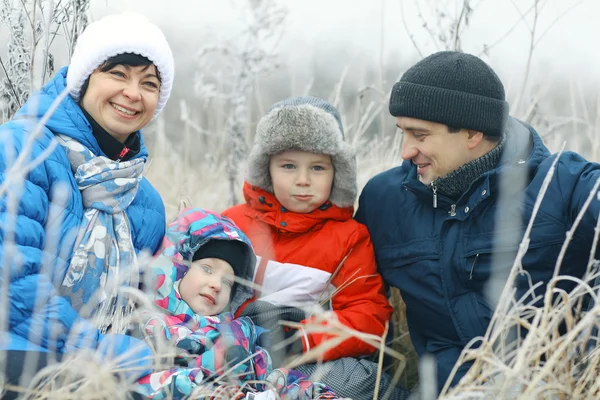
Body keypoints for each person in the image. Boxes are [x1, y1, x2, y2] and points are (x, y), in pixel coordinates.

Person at [355, 51, 600, 393]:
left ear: (472, 134)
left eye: (420, 135)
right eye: (402, 133)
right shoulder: (384, 199)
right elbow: (349, 289)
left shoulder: (562, 184)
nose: (405, 151)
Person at [0, 11, 174, 396]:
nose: (133, 92)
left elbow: (145, 303)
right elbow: (11, 281)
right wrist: (103, 352)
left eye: (149, 83)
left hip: (104, 362)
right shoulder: (21, 149)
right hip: (14, 355)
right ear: (83, 79)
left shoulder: (145, 203)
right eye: (118, 74)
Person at [223, 96, 409, 400]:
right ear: (265, 168)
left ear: (339, 172)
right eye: (288, 166)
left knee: (360, 381)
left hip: (304, 355)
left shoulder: (349, 237)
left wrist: (303, 340)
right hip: (235, 348)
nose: (303, 180)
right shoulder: (233, 222)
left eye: (318, 168)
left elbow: (368, 314)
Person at [134, 207, 338, 399]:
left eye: (228, 282)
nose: (216, 285)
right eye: (207, 269)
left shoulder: (238, 335)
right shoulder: (149, 326)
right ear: (178, 266)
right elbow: (147, 384)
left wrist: (314, 393)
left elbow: (275, 378)